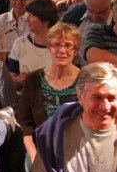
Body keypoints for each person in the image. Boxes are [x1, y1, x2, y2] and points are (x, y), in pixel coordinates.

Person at [15, 22, 81, 162]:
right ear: (49, 48)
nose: (62, 51)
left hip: (77, 150)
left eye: (68, 45)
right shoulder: (33, 80)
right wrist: (33, 155)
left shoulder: (85, 80)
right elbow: (24, 123)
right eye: (56, 45)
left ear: (75, 50)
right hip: (40, 147)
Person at [7, 0, 58, 84]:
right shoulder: (20, 43)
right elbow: (11, 76)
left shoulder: (61, 46)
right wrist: (19, 80)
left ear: (46, 20)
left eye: (31, 15)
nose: (27, 19)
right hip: (25, 95)